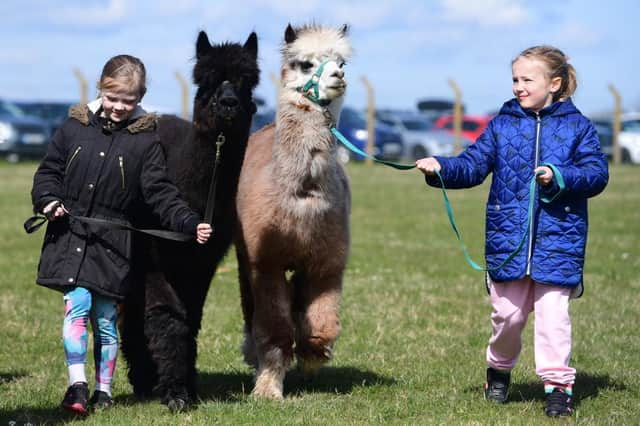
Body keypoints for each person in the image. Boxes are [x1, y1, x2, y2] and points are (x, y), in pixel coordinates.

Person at [416, 45, 608, 417]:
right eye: (515, 79)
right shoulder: (501, 125)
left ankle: (558, 387)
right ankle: (499, 371)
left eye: (527, 79)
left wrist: (560, 176)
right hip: (507, 241)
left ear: (554, 83)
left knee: (554, 318)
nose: (519, 86)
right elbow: (472, 165)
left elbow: (597, 174)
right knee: (508, 318)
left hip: (559, 239)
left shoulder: (579, 127)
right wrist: (441, 167)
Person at [30, 54, 212, 415]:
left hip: (113, 246)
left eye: (127, 102)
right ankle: (77, 387)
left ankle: (104, 390)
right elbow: (48, 173)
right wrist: (48, 200)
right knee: (76, 308)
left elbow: (160, 192)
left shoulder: (145, 142)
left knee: (105, 320)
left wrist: (190, 223)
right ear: (101, 89)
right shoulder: (73, 128)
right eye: (113, 99)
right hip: (71, 236)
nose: (118, 108)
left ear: (140, 97)